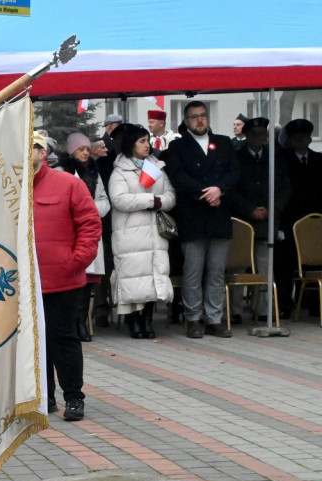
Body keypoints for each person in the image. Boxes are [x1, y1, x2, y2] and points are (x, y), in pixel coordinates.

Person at [31, 134, 101, 420]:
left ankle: (73, 397)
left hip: (63, 279)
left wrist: (77, 260)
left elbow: (90, 224)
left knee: (64, 339)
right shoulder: (11, 187)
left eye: (32, 146)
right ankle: (44, 397)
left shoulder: (69, 183)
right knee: (35, 342)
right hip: (25, 282)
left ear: (44, 152)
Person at [162, 101, 240, 339]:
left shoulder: (224, 143)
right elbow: (177, 176)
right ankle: (193, 318)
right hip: (193, 215)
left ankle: (215, 318)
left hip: (219, 214)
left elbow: (235, 172)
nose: (200, 120)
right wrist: (206, 194)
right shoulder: (178, 146)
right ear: (186, 121)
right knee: (193, 271)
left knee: (216, 272)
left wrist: (220, 190)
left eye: (203, 115)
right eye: (194, 117)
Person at [108, 124, 177, 339]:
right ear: (131, 145)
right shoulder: (120, 171)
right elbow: (119, 199)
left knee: (152, 277)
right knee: (134, 278)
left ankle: (148, 319)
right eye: (142, 141)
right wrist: (150, 200)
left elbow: (171, 196)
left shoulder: (157, 167)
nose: (147, 145)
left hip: (155, 233)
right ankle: (133, 321)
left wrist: (158, 201)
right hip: (130, 234)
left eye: (148, 141)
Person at [230, 117, 290, 320]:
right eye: (255, 134)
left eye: (263, 134)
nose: (260, 138)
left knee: (264, 265)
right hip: (243, 220)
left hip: (267, 220)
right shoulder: (237, 157)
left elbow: (284, 188)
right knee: (238, 265)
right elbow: (232, 189)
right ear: (246, 135)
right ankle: (235, 310)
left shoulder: (275, 158)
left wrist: (272, 210)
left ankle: (262, 309)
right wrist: (249, 210)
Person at [59, 133, 110, 342]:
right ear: (72, 151)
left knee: (89, 283)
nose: (86, 153)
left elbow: (104, 202)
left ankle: (82, 320)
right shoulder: (62, 172)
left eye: (88, 149)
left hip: (90, 231)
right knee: (75, 282)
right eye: (81, 149)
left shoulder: (93, 173)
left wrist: (88, 210)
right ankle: (74, 322)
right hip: (70, 234)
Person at [280, 119, 322, 317]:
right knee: (286, 263)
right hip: (290, 217)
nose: (300, 140)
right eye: (296, 137)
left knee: (315, 262)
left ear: (309, 139)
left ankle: (313, 304)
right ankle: (285, 305)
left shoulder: (319, 159)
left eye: (303, 137)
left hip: (315, 219)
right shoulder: (283, 159)